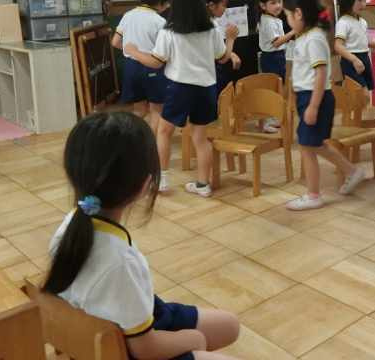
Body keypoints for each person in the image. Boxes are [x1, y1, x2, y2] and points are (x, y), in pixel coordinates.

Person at [44, 111, 240, 360]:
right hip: (132, 347)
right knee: (208, 340)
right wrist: (194, 340)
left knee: (230, 325)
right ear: (145, 185)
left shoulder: (73, 221)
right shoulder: (121, 263)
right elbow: (146, 349)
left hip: (131, 320)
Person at [125, 0, 236, 198]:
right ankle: (203, 185)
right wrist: (231, 39)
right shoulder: (212, 28)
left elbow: (156, 62)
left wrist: (134, 52)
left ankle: (161, 180)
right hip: (206, 89)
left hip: (179, 88)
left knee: (164, 132)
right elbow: (223, 58)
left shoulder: (170, 31)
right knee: (200, 138)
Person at [282, 0, 366, 211]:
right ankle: (352, 171)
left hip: (316, 97)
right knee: (315, 144)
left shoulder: (314, 39)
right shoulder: (305, 36)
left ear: (298, 13)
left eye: (288, 16)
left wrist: (313, 106)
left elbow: (320, 75)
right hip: (308, 97)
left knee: (307, 146)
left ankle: (313, 195)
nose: (288, 21)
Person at [112, 0, 174, 138]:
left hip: (131, 68)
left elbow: (115, 42)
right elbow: (164, 52)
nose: (168, 5)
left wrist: (131, 51)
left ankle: (130, 138)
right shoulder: (159, 22)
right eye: (168, 2)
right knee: (156, 110)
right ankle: (152, 144)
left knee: (139, 110)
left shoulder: (128, 15)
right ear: (161, 1)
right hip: (152, 67)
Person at [257, 0, 294, 133]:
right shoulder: (267, 21)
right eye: (273, 3)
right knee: (272, 89)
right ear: (263, 5)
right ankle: (267, 121)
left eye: (279, 1)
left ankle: (273, 117)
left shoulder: (273, 19)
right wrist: (293, 32)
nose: (278, 5)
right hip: (271, 58)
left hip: (278, 56)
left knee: (278, 87)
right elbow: (277, 42)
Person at [333, 0, 374, 91]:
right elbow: (338, 46)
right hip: (351, 60)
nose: (363, 4)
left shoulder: (363, 22)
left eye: (364, 0)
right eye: (359, 1)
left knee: (366, 92)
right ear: (348, 1)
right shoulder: (343, 22)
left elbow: (364, 41)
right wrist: (354, 60)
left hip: (364, 58)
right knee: (359, 92)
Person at [204, 0, 241, 95]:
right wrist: (230, 38)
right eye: (223, 5)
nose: (225, 9)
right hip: (210, 73)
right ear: (211, 5)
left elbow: (214, 47)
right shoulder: (211, 25)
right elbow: (222, 59)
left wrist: (231, 54)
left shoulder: (206, 21)